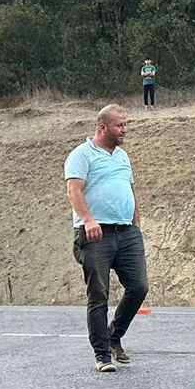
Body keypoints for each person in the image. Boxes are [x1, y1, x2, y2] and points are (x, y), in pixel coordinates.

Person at [65, 104, 149, 372]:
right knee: (98, 294)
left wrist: (136, 221)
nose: (124, 130)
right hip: (96, 233)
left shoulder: (122, 156)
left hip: (127, 232)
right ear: (102, 127)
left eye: (126, 125)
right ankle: (102, 355)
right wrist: (88, 220)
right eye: (119, 125)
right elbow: (73, 191)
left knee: (139, 287)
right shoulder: (82, 155)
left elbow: (129, 189)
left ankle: (114, 336)